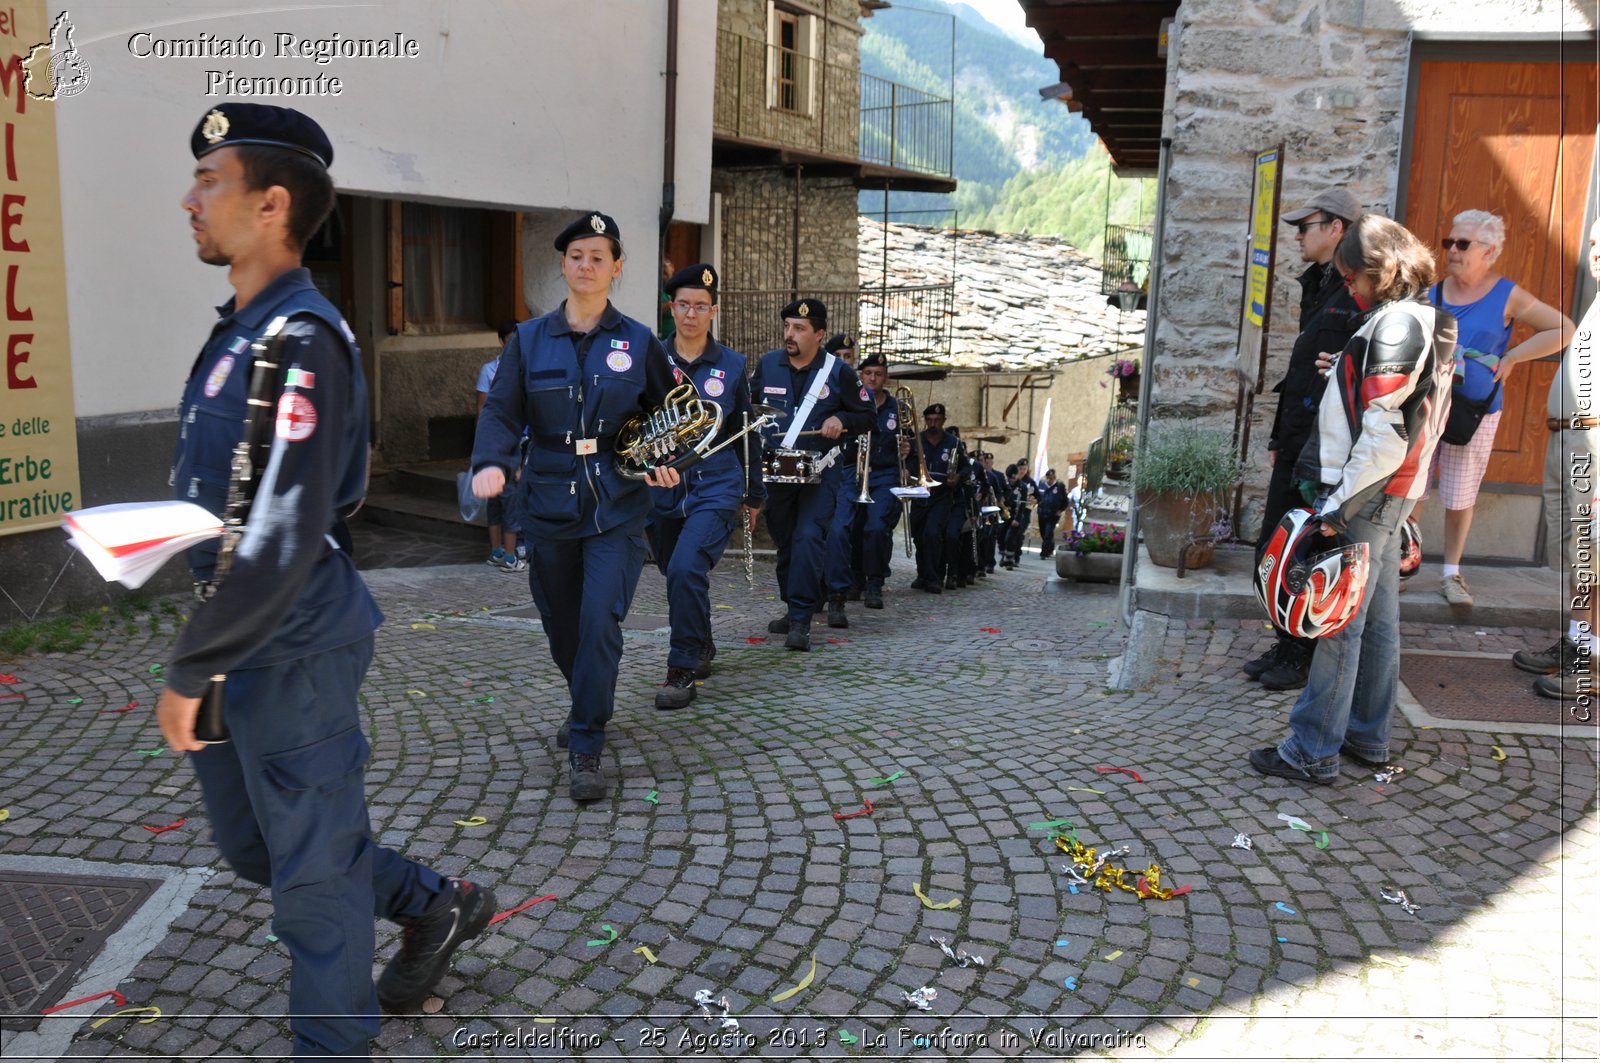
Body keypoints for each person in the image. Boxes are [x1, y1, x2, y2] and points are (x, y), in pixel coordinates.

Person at [159, 104, 495, 1056]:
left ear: (271, 205)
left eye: (210, 180)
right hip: (237, 631)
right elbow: (233, 492)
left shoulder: (304, 340)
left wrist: (194, 664)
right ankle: (438, 904)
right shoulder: (241, 332)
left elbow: (287, 524)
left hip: (293, 639)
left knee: (312, 884)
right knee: (255, 848)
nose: (190, 198)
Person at [472, 211, 681, 801]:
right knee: (562, 625)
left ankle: (587, 742)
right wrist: (490, 460)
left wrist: (670, 463)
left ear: (616, 268)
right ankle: (585, 698)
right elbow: (503, 412)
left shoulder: (638, 341)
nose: (586, 266)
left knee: (598, 623)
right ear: (563, 266)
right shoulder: (530, 339)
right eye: (576, 256)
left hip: (617, 504)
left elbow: (675, 416)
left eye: (598, 257)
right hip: (549, 502)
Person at [1249, 214, 1457, 784]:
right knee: (1378, 620)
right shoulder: (1426, 320)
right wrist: (1342, 367)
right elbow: (1402, 413)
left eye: (1351, 277)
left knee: (1336, 620)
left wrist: (1338, 508)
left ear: (1380, 270)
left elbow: (1386, 431)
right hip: (1388, 492)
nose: (1347, 287)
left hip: (1365, 495)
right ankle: (1366, 737)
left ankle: (1311, 750)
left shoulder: (1396, 325)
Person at [1243, 188, 1364, 690]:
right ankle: (1288, 640)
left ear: (1336, 228)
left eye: (1306, 225)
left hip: (1326, 451)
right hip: (1295, 443)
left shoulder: (1360, 289)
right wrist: (1277, 438)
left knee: (1306, 552)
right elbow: (1298, 373)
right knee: (1274, 545)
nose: (1296, 234)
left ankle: (1302, 654)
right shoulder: (1317, 283)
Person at [1428, 209, 1575, 607]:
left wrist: (1513, 358)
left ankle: (1451, 573)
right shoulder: (1433, 293)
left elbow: (1563, 328)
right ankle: (1403, 563)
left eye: (1463, 244)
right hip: (1428, 405)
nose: (1452, 251)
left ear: (1489, 251)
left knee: (1460, 493)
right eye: (1449, 243)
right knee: (1412, 487)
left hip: (1475, 410)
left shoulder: (1506, 293)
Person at [646, 264, 764, 708]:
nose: (691, 314)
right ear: (671, 308)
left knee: (684, 568)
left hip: (716, 484)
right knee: (674, 569)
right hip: (664, 485)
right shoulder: (651, 358)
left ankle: (681, 669)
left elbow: (746, 432)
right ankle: (702, 640)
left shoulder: (732, 365)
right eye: (683, 305)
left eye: (700, 306)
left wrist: (755, 495)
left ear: (713, 311)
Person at [754, 299, 875, 649]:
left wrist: (843, 420)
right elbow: (749, 405)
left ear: (819, 334)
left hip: (820, 473)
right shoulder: (768, 365)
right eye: (788, 327)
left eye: (800, 329)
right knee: (787, 541)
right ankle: (793, 607)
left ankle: (802, 619)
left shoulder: (839, 373)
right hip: (777, 472)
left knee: (808, 537)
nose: (790, 334)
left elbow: (868, 416)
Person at [1512, 217, 1599, 701]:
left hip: (1593, 446)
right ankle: (1577, 643)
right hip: (1566, 439)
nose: (1596, 251)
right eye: (1592, 242)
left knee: (1594, 557)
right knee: (1576, 556)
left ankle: (1593, 661)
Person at [849, 352, 907, 608]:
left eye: (878, 374)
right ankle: (855, 578)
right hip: (856, 472)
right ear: (861, 375)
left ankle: (875, 583)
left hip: (886, 475)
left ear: (886, 378)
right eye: (868, 373)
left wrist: (909, 450)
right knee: (852, 528)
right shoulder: (851, 402)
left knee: (876, 528)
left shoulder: (899, 408)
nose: (873, 378)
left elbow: (911, 442)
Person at [477, 320, 526, 571]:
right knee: (504, 502)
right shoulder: (490, 370)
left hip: (516, 442)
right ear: (502, 341)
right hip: (504, 447)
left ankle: (504, 551)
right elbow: (483, 411)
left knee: (505, 500)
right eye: (509, 341)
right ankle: (506, 554)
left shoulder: (524, 365)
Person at [909, 403, 968, 591]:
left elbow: (966, 467)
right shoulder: (915, 440)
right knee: (918, 536)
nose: (933, 424)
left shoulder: (953, 442)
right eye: (929, 420)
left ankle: (933, 578)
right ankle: (922, 573)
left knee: (932, 534)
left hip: (941, 496)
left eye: (937, 420)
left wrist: (957, 477)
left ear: (943, 420)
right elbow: (906, 463)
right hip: (919, 495)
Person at [1036, 468, 1067, 559]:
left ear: (1055, 478)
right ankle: (1050, 547)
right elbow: (1038, 496)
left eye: (1051, 478)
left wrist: (1060, 510)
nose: (1049, 480)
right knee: (1043, 532)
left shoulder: (1059, 486)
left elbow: (1065, 501)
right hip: (1042, 512)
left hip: (1053, 514)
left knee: (1048, 533)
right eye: (1048, 478)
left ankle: (1044, 553)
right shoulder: (1041, 485)